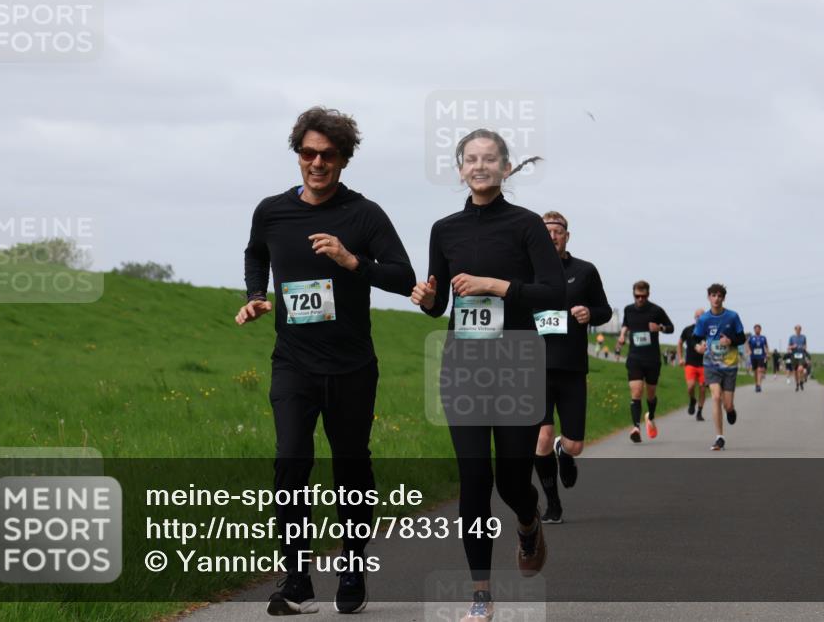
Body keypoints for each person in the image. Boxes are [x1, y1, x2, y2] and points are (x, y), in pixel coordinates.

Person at [238, 107, 416, 616]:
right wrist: (255, 294)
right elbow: (256, 253)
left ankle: (353, 566)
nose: (317, 163)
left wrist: (350, 260)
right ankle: (296, 578)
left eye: (328, 155)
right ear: (298, 154)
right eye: (308, 153)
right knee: (290, 461)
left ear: (344, 159)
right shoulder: (271, 210)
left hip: (352, 365)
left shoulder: (364, 214)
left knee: (351, 468)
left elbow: (404, 278)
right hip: (292, 362)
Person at [411, 129, 564, 622]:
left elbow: (554, 292)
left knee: (511, 481)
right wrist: (428, 299)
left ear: (504, 168)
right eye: (470, 160)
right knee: (474, 478)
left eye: (489, 159)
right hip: (464, 369)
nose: (479, 166)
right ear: (460, 169)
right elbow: (439, 306)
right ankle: (481, 595)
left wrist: (497, 286)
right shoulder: (444, 229)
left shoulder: (525, 226)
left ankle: (527, 519)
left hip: (517, 364)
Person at [533, 211, 612, 524]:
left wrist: (589, 313)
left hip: (572, 369)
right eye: (546, 231)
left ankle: (564, 453)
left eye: (558, 231)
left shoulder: (585, 271)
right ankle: (553, 506)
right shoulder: (527, 270)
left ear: (567, 236)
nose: (552, 235)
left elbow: (604, 310)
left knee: (575, 445)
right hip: (535, 368)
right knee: (539, 439)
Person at [616, 281, 675, 443]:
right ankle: (636, 427)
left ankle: (651, 416)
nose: (640, 299)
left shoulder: (656, 310)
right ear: (633, 294)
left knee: (650, 394)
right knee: (636, 391)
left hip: (652, 359)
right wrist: (622, 335)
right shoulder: (628, 309)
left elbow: (671, 327)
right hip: (634, 357)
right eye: (637, 296)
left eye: (643, 296)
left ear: (648, 295)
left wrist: (660, 328)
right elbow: (626, 324)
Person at [693, 283, 746, 451]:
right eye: (713, 295)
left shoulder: (732, 316)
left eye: (719, 296)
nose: (716, 299)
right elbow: (696, 338)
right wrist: (698, 347)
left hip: (729, 365)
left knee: (727, 404)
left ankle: (730, 411)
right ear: (709, 297)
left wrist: (731, 341)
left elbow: (742, 338)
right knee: (716, 397)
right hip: (711, 364)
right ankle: (719, 437)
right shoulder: (704, 319)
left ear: (723, 298)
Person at [677, 309, 707, 422]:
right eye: (697, 316)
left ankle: (699, 412)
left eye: (701, 316)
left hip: (704, 364)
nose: (699, 318)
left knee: (703, 388)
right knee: (690, 387)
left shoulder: (708, 331)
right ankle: (692, 400)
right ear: (694, 318)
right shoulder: (688, 330)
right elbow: (680, 342)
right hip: (690, 363)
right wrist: (680, 358)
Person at [747, 324, 770, 392]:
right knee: (755, 371)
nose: (757, 330)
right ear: (754, 330)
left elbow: (766, 346)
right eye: (756, 329)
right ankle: (756, 384)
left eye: (758, 329)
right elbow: (747, 344)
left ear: (760, 330)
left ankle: (759, 385)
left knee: (760, 370)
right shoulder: (751, 338)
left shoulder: (763, 337)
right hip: (753, 356)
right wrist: (749, 350)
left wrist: (767, 353)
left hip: (761, 356)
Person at [788, 325, 810, 391]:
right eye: (797, 329)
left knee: (800, 369)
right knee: (795, 372)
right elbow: (789, 347)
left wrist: (804, 347)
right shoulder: (792, 337)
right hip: (794, 356)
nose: (798, 330)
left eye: (799, 329)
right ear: (795, 330)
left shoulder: (803, 337)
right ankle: (797, 384)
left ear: (801, 330)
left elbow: (805, 345)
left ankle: (801, 381)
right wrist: (792, 346)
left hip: (801, 355)